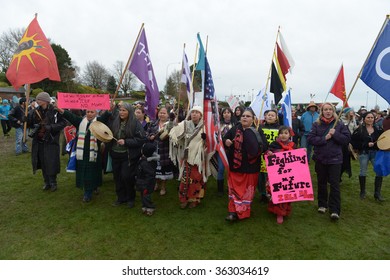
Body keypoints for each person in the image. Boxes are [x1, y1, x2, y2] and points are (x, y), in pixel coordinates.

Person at [56, 106, 112, 202]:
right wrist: (62, 110)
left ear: (96, 113)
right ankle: (87, 193)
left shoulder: (99, 122)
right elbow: (71, 116)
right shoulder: (80, 121)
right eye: (88, 112)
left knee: (94, 172)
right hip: (82, 153)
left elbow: (106, 116)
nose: (89, 114)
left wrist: (110, 109)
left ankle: (94, 187)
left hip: (94, 153)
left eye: (92, 112)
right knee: (85, 173)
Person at [307, 102, 350, 220]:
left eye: (330, 109)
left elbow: (346, 139)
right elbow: (310, 139)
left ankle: (335, 209)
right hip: (320, 158)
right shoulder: (316, 124)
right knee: (321, 182)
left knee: (334, 184)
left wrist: (335, 134)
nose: (328, 111)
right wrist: (323, 139)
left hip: (335, 159)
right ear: (322, 111)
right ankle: (322, 204)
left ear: (333, 111)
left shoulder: (340, 124)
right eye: (325, 109)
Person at [223, 107, 266, 221]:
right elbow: (224, 139)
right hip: (235, 166)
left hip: (251, 167)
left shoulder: (257, 130)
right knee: (234, 191)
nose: (245, 118)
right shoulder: (235, 129)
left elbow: (264, 146)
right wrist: (226, 141)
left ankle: (242, 212)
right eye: (243, 116)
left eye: (248, 116)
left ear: (253, 119)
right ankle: (232, 212)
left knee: (246, 192)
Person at [169, 105, 209, 209]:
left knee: (196, 178)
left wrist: (206, 139)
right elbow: (175, 133)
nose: (194, 114)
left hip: (198, 158)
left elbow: (210, 143)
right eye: (192, 112)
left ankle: (194, 199)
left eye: (197, 112)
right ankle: (183, 199)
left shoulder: (205, 126)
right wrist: (174, 123)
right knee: (185, 178)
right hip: (186, 156)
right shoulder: (185, 124)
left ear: (200, 115)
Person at [108, 102, 146, 208]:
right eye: (120, 110)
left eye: (124, 110)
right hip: (115, 154)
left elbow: (141, 139)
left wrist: (126, 142)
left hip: (128, 156)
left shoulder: (135, 123)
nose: (121, 112)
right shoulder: (115, 121)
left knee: (127, 177)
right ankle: (121, 198)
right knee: (117, 177)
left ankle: (130, 198)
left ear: (129, 111)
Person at [27, 92, 66, 192]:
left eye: (39, 99)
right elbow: (30, 124)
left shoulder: (55, 111)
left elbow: (63, 123)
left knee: (51, 162)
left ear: (45, 100)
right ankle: (46, 182)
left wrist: (51, 127)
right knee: (43, 162)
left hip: (51, 140)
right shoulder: (35, 111)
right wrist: (25, 120)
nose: (37, 101)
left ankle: (53, 182)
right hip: (39, 140)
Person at [351, 112, 385, 201]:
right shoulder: (359, 130)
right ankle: (362, 192)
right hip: (364, 153)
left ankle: (377, 193)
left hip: (375, 153)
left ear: (374, 119)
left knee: (379, 171)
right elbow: (353, 142)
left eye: (372, 117)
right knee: (363, 172)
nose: (370, 119)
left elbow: (383, 139)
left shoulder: (378, 129)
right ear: (364, 118)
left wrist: (376, 145)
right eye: (368, 117)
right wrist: (365, 144)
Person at [266, 126, 295, 224]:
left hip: (288, 174)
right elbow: (267, 153)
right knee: (276, 192)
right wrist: (268, 153)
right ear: (278, 134)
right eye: (281, 133)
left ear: (289, 135)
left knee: (286, 192)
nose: (283, 135)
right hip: (276, 174)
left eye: (286, 133)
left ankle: (281, 213)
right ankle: (274, 209)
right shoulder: (274, 144)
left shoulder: (293, 145)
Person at [146, 107, 174, 196]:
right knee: (155, 168)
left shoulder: (171, 125)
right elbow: (146, 133)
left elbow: (175, 137)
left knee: (163, 169)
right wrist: (150, 136)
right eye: (160, 113)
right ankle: (157, 183)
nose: (162, 114)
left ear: (168, 115)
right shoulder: (152, 123)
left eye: (164, 113)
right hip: (154, 150)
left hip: (165, 150)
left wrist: (169, 136)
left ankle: (163, 187)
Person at [258, 109, 280, 203]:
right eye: (268, 115)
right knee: (261, 176)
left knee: (272, 176)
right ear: (265, 117)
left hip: (274, 155)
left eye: (272, 115)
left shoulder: (280, 128)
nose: (270, 116)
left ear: (276, 118)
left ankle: (272, 193)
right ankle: (263, 194)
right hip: (261, 155)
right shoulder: (260, 128)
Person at [215, 107, 235, 196]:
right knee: (221, 169)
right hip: (221, 150)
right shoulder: (218, 125)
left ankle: (231, 187)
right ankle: (220, 189)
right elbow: (215, 137)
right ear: (222, 114)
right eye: (224, 112)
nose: (226, 114)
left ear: (231, 114)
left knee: (232, 170)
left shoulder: (235, 125)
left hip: (232, 150)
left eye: (228, 112)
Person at [136, 143, 159, 216]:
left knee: (146, 195)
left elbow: (150, 175)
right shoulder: (144, 160)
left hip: (146, 183)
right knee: (143, 195)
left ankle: (150, 207)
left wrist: (147, 185)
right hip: (142, 182)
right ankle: (144, 206)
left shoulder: (146, 163)